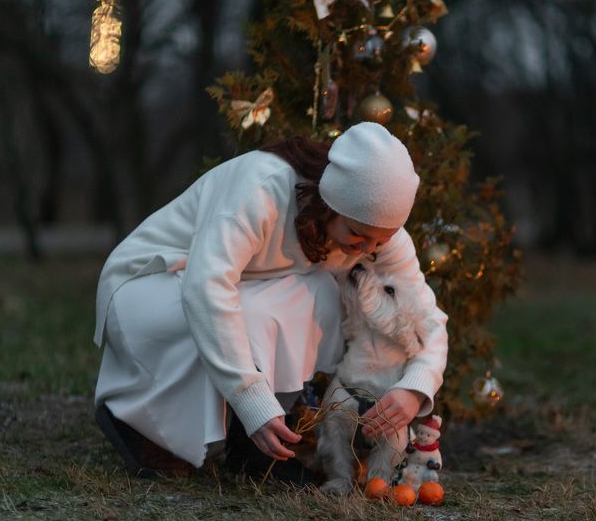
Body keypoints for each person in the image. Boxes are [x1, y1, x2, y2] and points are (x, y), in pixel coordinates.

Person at [91, 122, 448, 481]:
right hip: (149, 286)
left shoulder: (376, 228)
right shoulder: (260, 189)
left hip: (227, 289)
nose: (368, 250)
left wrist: (413, 389)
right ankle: (139, 424)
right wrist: (250, 399)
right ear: (329, 204)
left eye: (381, 241)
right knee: (232, 312)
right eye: (357, 235)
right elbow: (206, 288)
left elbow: (427, 317)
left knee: (320, 293)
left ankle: (252, 449)